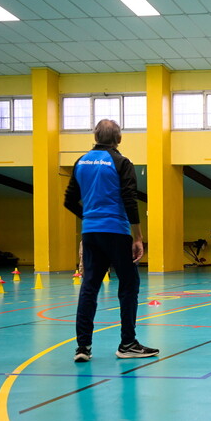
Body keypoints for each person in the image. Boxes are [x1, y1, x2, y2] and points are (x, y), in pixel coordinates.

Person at [64, 119, 159, 362]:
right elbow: (129, 199)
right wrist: (137, 236)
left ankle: (83, 347)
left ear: (95, 136)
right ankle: (127, 343)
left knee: (89, 287)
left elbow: (69, 201)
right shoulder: (121, 162)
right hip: (116, 232)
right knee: (128, 285)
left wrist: (90, 218)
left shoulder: (80, 162)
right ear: (119, 138)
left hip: (91, 232)